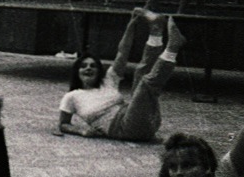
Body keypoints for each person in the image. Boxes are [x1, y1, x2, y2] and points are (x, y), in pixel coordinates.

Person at [55, 9, 185, 142]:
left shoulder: (108, 80)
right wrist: (81, 131)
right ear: (77, 72)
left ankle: (156, 31)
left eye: (93, 66)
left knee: (141, 73)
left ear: (99, 71)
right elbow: (63, 124)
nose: (88, 68)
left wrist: (131, 25)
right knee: (145, 84)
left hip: (144, 118)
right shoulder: (72, 96)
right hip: (123, 129)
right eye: (83, 66)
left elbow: (122, 52)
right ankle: (172, 48)